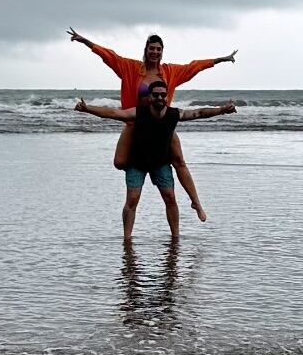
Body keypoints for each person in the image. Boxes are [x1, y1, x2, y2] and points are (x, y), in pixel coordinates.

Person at [69, 28, 237, 220]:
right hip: (135, 123)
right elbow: (110, 56)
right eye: (152, 48)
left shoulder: (170, 72)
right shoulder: (130, 68)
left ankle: (196, 202)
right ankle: (143, 170)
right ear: (146, 50)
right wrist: (86, 42)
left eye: (158, 49)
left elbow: (195, 66)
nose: (155, 52)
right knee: (120, 162)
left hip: (162, 124)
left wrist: (221, 59)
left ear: (162, 52)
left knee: (179, 161)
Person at [75, 78, 236, 241]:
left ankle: (175, 237)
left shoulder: (174, 114)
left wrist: (222, 109)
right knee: (132, 199)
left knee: (170, 197)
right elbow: (114, 113)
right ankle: (127, 238)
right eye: (156, 95)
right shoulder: (139, 112)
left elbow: (199, 113)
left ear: (167, 97)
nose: (160, 98)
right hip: (136, 163)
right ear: (150, 97)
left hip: (160, 163)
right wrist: (87, 109)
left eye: (163, 95)